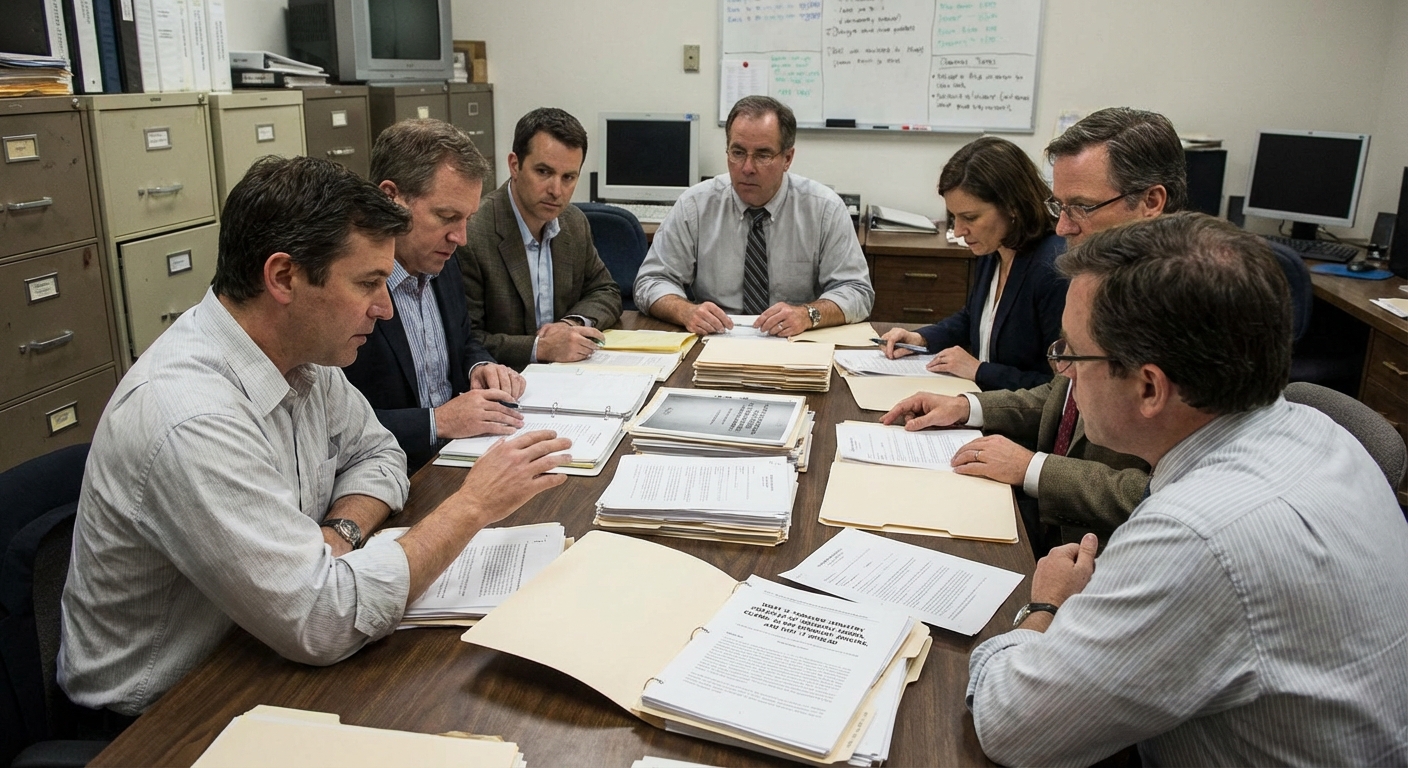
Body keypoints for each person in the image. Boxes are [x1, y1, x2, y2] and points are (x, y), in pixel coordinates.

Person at [58, 156, 571, 721]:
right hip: (162, 716)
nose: (385, 306)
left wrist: (340, 531)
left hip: (259, 652)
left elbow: (378, 452)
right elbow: (322, 618)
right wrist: (472, 506)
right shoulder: (190, 417)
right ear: (283, 278)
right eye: (368, 283)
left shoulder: (305, 356)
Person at [966, 212, 1408, 765]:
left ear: (1150, 386)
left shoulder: (1198, 535)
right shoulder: (1318, 431)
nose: (1065, 374)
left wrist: (1046, 605)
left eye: (1072, 355)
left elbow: (1010, 728)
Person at [881, 107, 1183, 546]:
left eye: (1080, 207)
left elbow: (1169, 497)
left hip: (1105, 553)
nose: (1062, 225)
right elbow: (1063, 398)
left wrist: (1032, 468)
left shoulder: (1189, 308)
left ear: (1152, 203)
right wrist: (969, 407)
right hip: (1058, 526)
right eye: (1059, 206)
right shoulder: (1101, 282)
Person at [343, 119, 525, 473]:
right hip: (389, 474)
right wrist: (436, 422)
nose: (461, 237)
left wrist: (480, 366)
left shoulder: (440, 257)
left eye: (467, 219)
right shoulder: (348, 285)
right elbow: (330, 426)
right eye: (447, 217)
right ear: (390, 198)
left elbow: (465, 338)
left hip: (460, 455)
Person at [634, 95, 873, 337]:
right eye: (738, 152)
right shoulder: (695, 205)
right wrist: (685, 311)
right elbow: (650, 282)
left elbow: (856, 291)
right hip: (717, 340)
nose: (747, 168)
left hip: (796, 342)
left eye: (762, 155)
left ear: (787, 159)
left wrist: (808, 314)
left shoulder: (824, 209)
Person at [878, 136, 1065, 391]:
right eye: (953, 217)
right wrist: (920, 338)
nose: (959, 230)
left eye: (970, 217)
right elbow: (974, 318)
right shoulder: (996, 246)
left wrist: (980, 371)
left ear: (1012, 207)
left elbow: (1062, 390)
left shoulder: (1053, 268)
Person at [459, 107, 622, 369]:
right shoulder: (473, 232)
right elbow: (467, 340)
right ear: (515, 165)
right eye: (544, 172)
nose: (556, 191)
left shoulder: (573, 222)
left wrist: (571, 324)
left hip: (571, 375)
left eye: (568, 177)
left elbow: (605, 290)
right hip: (505, 383)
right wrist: (541, 347)